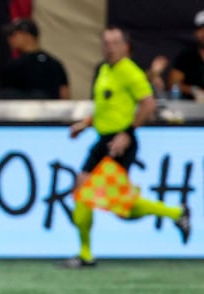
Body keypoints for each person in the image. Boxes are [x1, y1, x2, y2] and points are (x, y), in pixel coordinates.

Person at [60, 26, 191, 268]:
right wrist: (86, 123)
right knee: (95, 195)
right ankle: (85, 253)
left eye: (114, 43)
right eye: (105, 43)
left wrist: (127, 133)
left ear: (125, 46)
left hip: (120, 144)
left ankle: (175, 213)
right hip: (103, 141)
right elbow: (107, 107)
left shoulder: (130, 72)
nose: (108, 47)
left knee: (97, 196)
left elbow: (148, 106)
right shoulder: (104, 70)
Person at [0, 17, 70, 99]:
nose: (9, 39)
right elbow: (65, 96)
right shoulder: (55, 63)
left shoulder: (14, 66)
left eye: (13, 34)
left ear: (27, 35)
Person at [166, 9, 204, 101]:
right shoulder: (187, 56)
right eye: (201, 29)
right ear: (195, 33)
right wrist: (193, 90)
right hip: (192, 109)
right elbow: (173, 84)